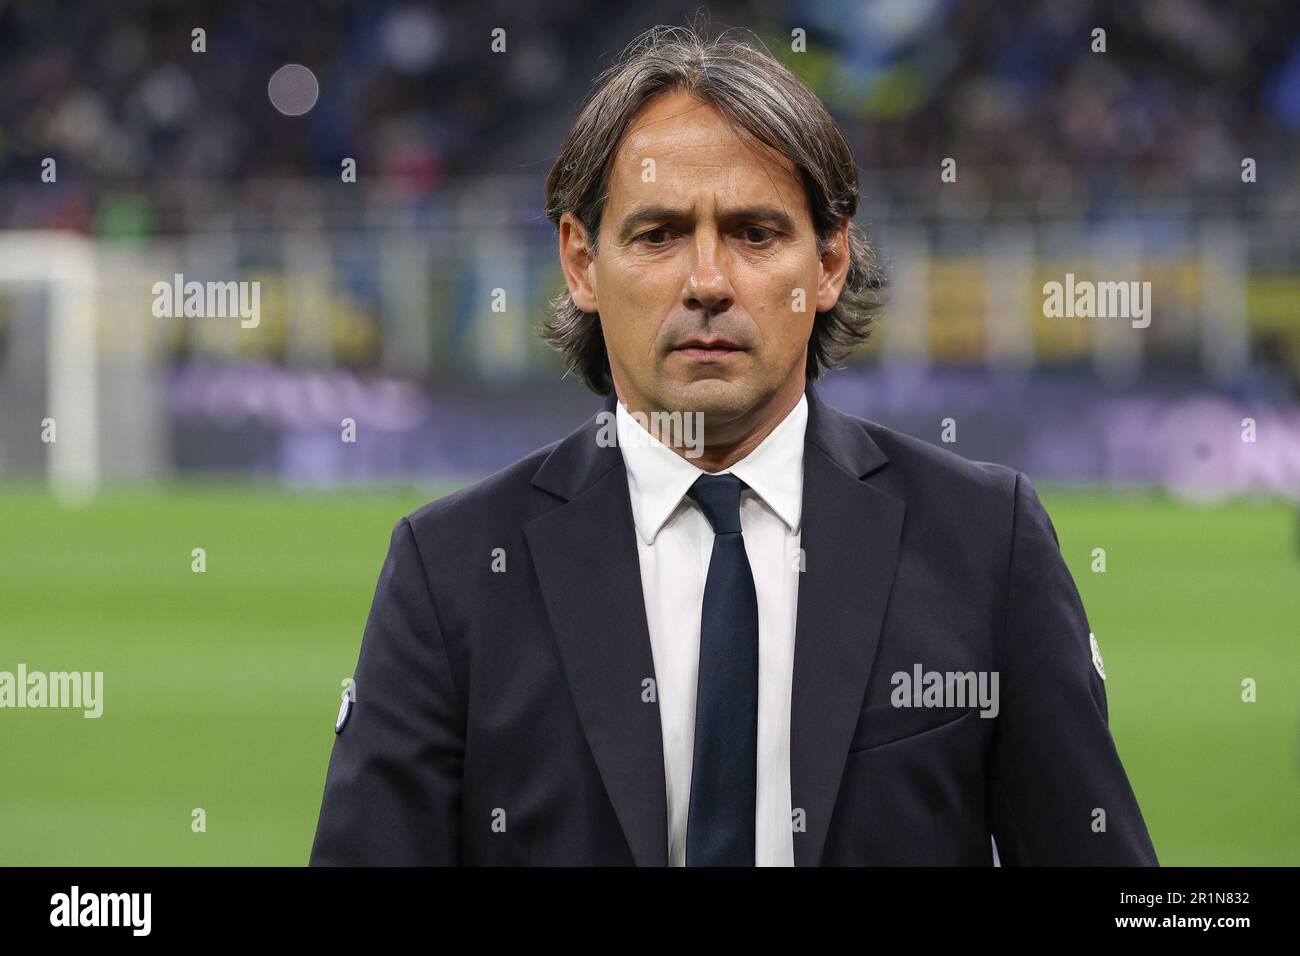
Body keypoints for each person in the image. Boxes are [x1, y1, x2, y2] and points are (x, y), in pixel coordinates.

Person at [310, 25, 1157, 866]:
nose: (707, 282)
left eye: (755, 233)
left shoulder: (984, 542)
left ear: (829, 262)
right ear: (581, 263)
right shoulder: (451, 572)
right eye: (658, 235)